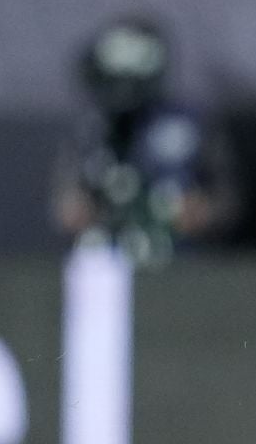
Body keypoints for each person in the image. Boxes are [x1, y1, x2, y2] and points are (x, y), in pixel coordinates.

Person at [51, 14, 238, 267]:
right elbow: (67, 206)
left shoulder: (190, 126)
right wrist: (81, 209)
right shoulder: (91, 129)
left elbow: (226, 200)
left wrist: (198, 212)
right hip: (105, 266)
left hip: (180, 267)